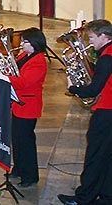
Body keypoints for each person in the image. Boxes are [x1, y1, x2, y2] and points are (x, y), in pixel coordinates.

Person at [58, 19, 112, 205]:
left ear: (104, 36)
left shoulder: (107, 58)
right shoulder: (108, 53)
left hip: (106, 114)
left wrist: (73, 88)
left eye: (91, 37)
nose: (90, 42)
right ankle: (106, 196)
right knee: (107, 157)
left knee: (94, 157)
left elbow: (93, 89)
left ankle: (84, 198)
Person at [8, 27, 47, 188]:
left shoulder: (39, 61)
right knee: (16, 139)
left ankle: (30, 175)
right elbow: (15, 70)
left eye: (25, 41)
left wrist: (5, 77)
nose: (22, 44)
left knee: (26, 142)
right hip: (17, 104)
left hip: (28, 105)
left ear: (34, 43)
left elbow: (24, 82)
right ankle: (18, 168)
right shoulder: (25, 55)